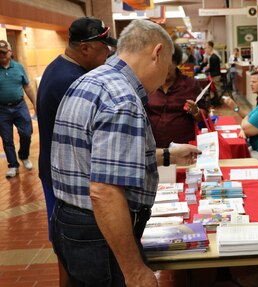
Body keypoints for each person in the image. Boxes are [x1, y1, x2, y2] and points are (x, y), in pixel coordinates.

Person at [50, 19, 200, 286]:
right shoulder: (123, 99)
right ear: (157, 53)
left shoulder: (90, 80)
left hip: (69, 220)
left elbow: (96, 157)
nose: (163, 78)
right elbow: (104, 190)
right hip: (99, 231)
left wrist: (168, 156)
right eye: (166, 68)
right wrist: (134, 271)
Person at [36, 16, 117, 286]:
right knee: (70, 243)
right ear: (85, 48)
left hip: (57, 170)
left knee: (65, 244)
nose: (108, 54)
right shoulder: (70, 80)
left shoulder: (61, 69)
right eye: (104, 48)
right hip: (63, 178)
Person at [145, 43, 207, 148]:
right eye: (160, 64)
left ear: (176, 63)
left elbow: (204, 115)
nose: (164, 69)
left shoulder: (190, 85)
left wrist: (195, 112)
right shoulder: (148, 84)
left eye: (168, 65)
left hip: (183, 147)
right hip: (153, 149)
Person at [0, 39, 36, 178]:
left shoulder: (19, 67)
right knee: (7, 139)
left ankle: (24, 156)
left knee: (26, 133)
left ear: (10, 52)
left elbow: (27, 86)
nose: (2, 55)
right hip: (2, 110)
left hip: (20, 106)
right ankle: (13, 165)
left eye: (4, 52)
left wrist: (35, 103)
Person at [222, 71, 258, 165]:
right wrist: (244, 124)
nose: (250, 84)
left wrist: (244, 127)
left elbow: (246, 127)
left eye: (254, 82)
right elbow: (248, 118)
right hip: (255, 147)